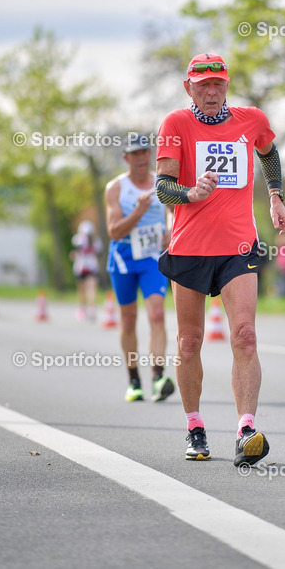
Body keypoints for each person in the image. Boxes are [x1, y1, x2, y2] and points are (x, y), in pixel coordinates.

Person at [155, 53, 285, 466]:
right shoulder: (176, 124)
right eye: (203, 85)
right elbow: (163, 188)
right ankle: (195, 427)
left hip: (237, 246)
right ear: (188, 88)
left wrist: (275, 196)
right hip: (190, 247)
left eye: (218, 84)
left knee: (245, 336)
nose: (211, 92)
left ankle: (246, 430)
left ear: (227, 85)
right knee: (190, 340)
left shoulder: (250, 119)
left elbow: (268, 151)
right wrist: (190, 194)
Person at [105, 136, 174, 402]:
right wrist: (138, 212)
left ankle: (158, 377)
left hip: (151, 257)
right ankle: (134, 380)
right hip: (123, 257)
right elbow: (113, 231)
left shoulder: (161, 183)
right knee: (129, 319)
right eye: (135, 154)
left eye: (145, 152)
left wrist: (171, 230)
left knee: (157, 314)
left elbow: (174, 211)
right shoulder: (116, 188)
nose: (142, 158)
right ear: (126, 158)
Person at [70, 221, 102, 321]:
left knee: (89, 289)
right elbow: (75, 252)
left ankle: (89, 309)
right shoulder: (80, 240)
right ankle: (85, 309)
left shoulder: (95, 241)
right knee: (84, 290)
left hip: (88, 266)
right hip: (83, 267)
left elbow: (98, 253)